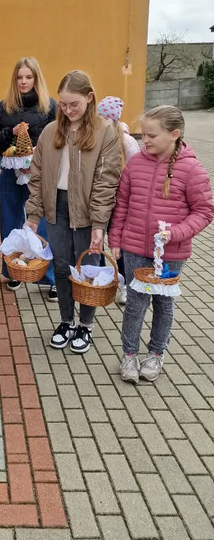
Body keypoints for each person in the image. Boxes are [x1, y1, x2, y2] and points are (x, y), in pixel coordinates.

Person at [110, 105, 214, 383]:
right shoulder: (136, 163)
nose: (145, 141)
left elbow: (204, 211)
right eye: (144, 134)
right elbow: (122, 203)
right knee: (135, 304)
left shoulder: (192, 168)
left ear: (174, 135)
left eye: (152, 136)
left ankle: (156, 354)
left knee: (163, 305)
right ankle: (129, 354)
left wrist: (177, 233)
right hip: (133, 247)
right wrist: (116, 239)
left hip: (170, 253)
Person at [25, 71, 121, 354]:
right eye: (63, 104)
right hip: (57, 208)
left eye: (73, 104)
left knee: (88, 270)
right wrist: (33, 215)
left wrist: (99, 224)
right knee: (62, 267)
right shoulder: (49, 131)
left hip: (88, 211)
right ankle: (67, 321)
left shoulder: (106, 131)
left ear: (89, 98)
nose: (67, 110)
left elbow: (107, 181)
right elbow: (37, 175)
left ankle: (86, 325)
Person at [0, 57, 57, 298]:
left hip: (39, 171)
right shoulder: (3, 107)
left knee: (42, 221)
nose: (24, 81)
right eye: (20, 77)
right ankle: (14, 270)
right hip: (9, 170)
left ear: (36, 78)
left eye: (28, 77)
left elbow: (56, 140)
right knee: (10, 219)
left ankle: (48, 275)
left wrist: (36, 163)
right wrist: (11, 132)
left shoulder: (49, 106)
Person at [96, 96, 140, 304]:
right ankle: (103, 278)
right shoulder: (96, 137)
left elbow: (137, 172)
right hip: (99, 200)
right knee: (96, 241)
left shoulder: (127, 141)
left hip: (121, 204)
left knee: (119, 245)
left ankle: (124, 285)